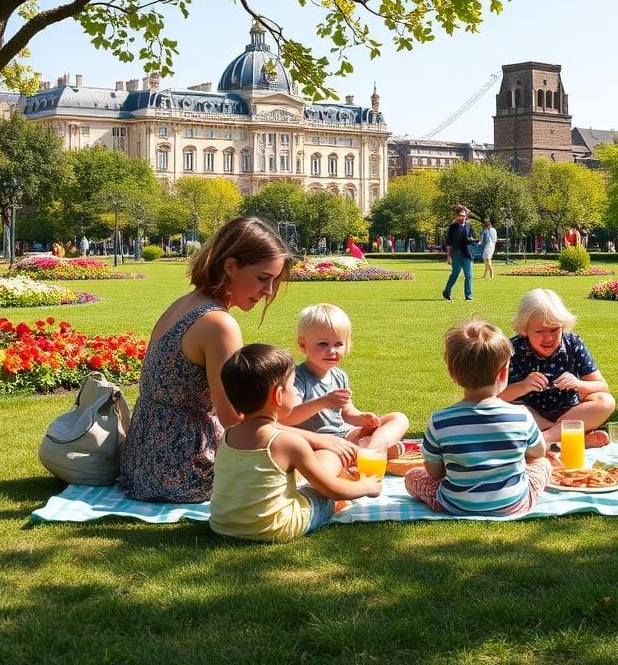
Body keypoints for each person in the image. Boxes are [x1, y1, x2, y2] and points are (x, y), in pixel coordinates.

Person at [119, 217, 293, 502]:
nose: (269, 292)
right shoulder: (218, 324)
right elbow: (234, 419)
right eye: (263, 278)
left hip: (143, 462)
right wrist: (305, 440)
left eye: (274, 281)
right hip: (186, 467)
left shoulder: (185, 303)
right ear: (231, 267)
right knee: (310, 460)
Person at [209, 343, 382, 542]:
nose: (294, 390)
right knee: (322, 491)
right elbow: (332, 490)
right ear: (278, 395)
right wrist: (367, 486)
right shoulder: (287, 442)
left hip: (223, 525)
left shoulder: (227, 434)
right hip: (274, 529)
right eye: (292, 386)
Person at [404, 320, 553, 515]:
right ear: (503, 373)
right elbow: (537, 453)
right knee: (544, 465)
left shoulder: (440, 421)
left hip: (455, 504)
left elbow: (435, 473)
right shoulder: (521, 416)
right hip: (514, 504)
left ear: (452, 373)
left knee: (412, 476)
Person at [285, 303, 408, 456]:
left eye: (338, 344)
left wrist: (361, 417)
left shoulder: (339, 375)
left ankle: (371, 451)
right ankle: (369, 453)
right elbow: (289, 416)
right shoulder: (298, 377)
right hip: (318, 442)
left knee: (398, 418)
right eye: (323, 344)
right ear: (303, 345)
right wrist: (322, 402)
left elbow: (347, 411)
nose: (332, 351)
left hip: (345, 435)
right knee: (328, 459)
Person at [501, 288, 615, 447]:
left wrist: (578, 384)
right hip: (531, 416)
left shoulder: (572, 343)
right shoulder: (510, 349)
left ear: (563, 325)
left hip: (569, 413)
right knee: (506, 409)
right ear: (525, 329)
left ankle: (545, 439)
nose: (548, 338)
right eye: (539, 331)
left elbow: (602, 388)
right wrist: (523, 387)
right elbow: (493, 397)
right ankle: (574, 438)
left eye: (555, 329)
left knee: (605, 401)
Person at [442, 204, 475, 301]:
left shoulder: (469, 226)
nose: (462, 218)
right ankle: (447, 292)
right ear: (456, 217)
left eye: (464, 216)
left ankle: (468, 296)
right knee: (455, 273)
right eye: (460, 216)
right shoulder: (452, 227)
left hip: (466, 253)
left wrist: (474, 240)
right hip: (456, 253)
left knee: (468, 275)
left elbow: (469, 239)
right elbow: (449, 243)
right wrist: (448, 256)